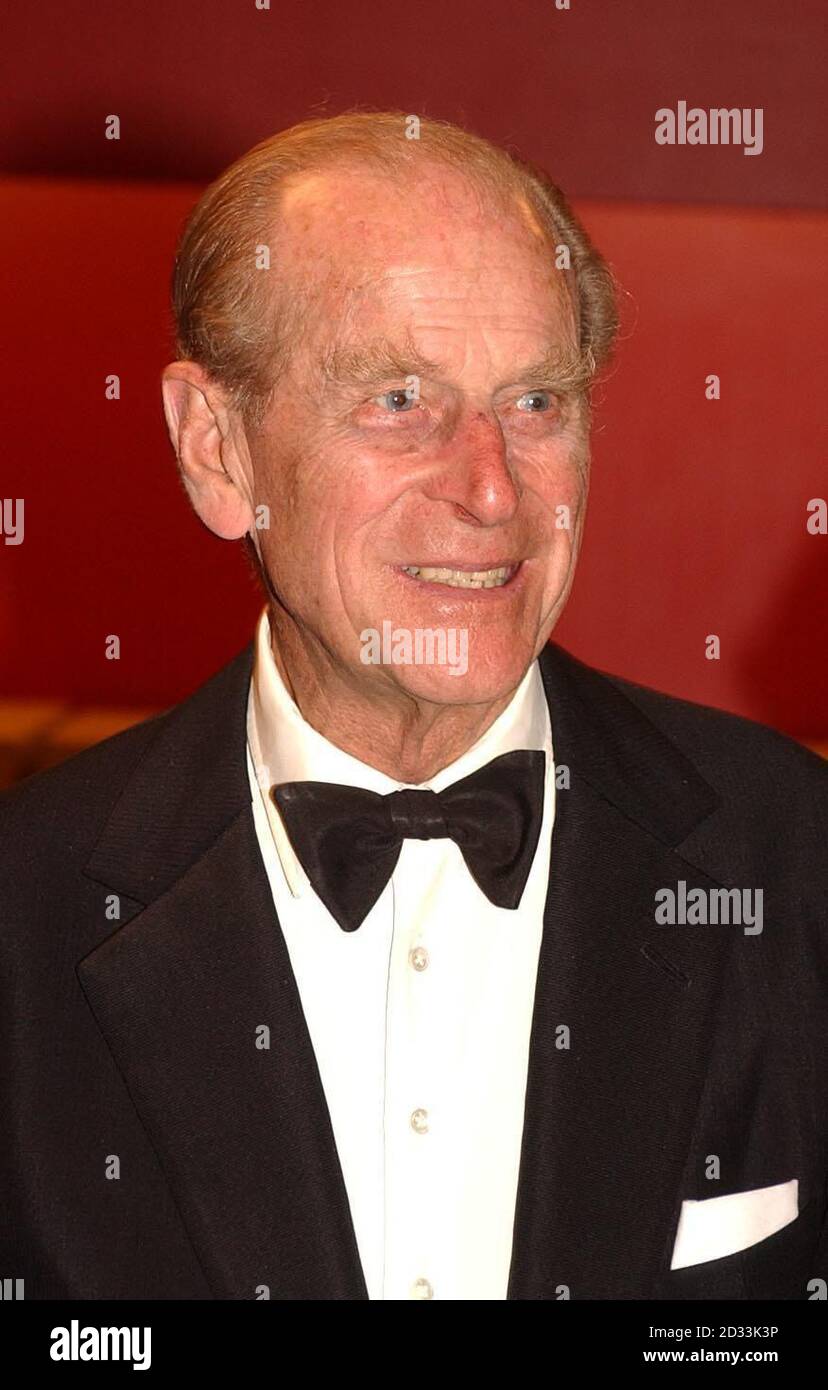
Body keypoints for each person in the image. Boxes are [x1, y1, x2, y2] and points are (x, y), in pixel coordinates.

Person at [1, 112, 825, 1301]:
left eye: (537, 400)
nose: (493, 489)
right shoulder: (26, 924)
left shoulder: (794, 860)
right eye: (400, 398)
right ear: (216, 449)